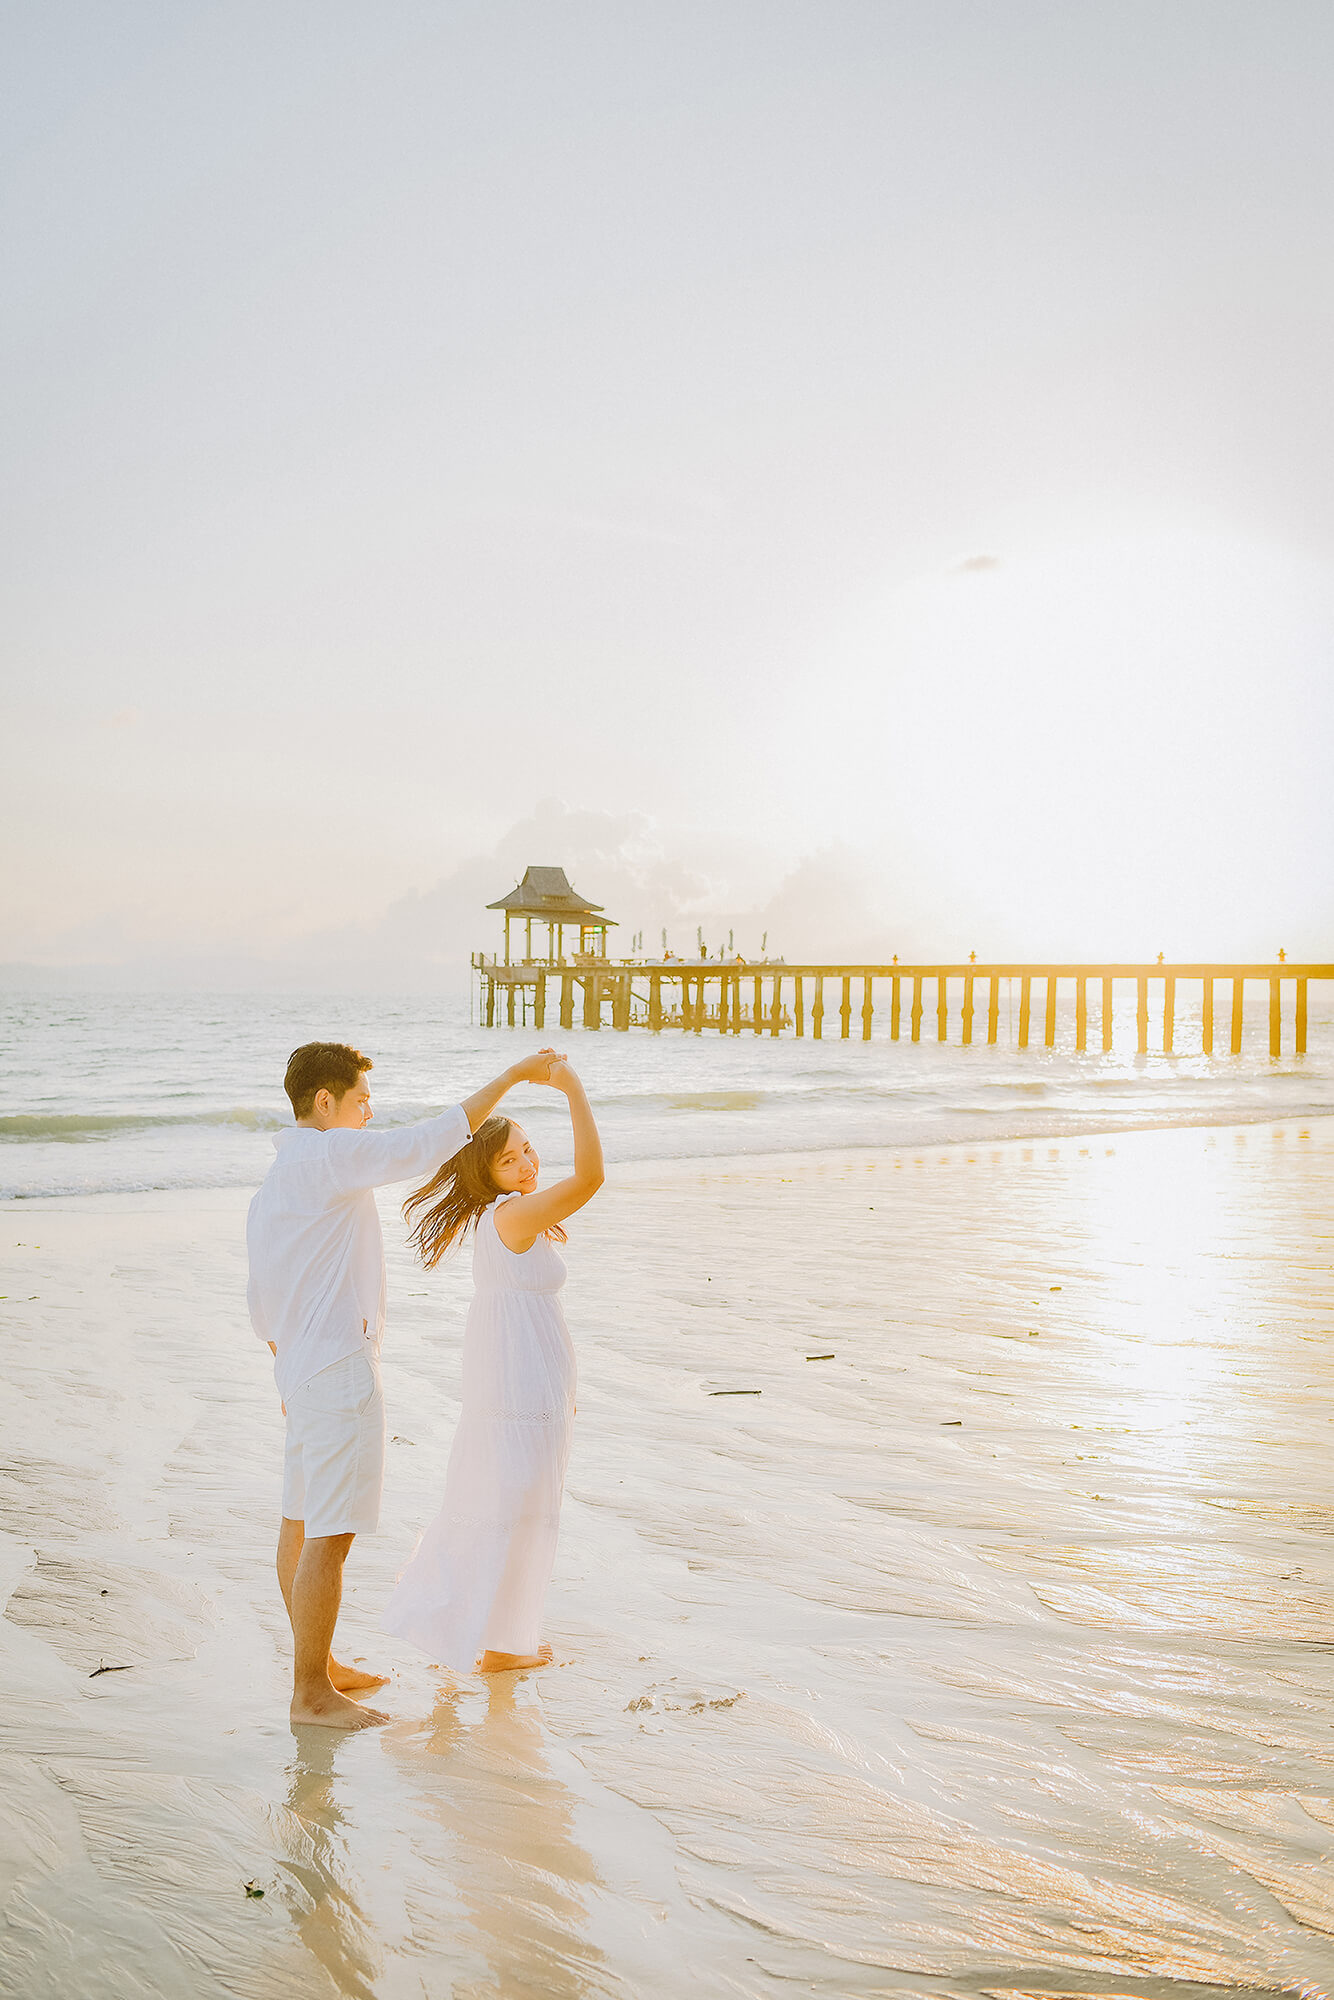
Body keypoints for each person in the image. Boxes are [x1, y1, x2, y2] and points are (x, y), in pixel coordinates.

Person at [246, 1039, 565, 1730]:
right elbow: (428, 1142)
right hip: (335, 1370)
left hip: (299, 1368)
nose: (367, 1115)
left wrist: (287, 1367)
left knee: (300, 1519)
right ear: (324, 1102)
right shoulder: (329, 1155)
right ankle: (311, 1693)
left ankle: (319, 1666)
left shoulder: (275, 1184)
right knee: (332, 1532)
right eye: (361, 1102)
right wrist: (512, 1075)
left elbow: (262, 1302)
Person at [382, 1058, 603, 1674]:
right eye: (512, 1159)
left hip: (525, 1379)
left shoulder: (502, 1217)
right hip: (520, 1385)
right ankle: (494, 1644)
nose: (529, 1165)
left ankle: (503, 1639)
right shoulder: (511, 1214)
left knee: (512, 1501)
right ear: (490, 1173)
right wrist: (574, 1091)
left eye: (530, 1150)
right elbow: (591, 1177)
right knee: (515, 1503)